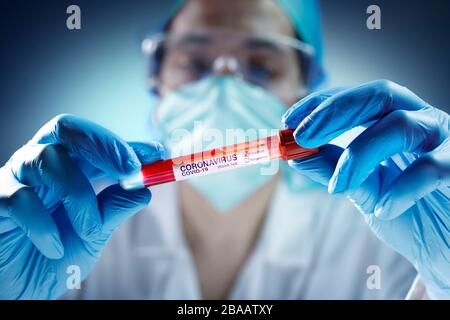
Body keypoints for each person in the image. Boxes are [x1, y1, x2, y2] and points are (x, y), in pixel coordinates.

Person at [0, 0, 448, 300]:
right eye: (193, 62)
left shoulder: (388, 234)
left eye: (260, 65)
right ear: (156, 81)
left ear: (304, 90)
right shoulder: (70, 227)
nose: (224, 86)